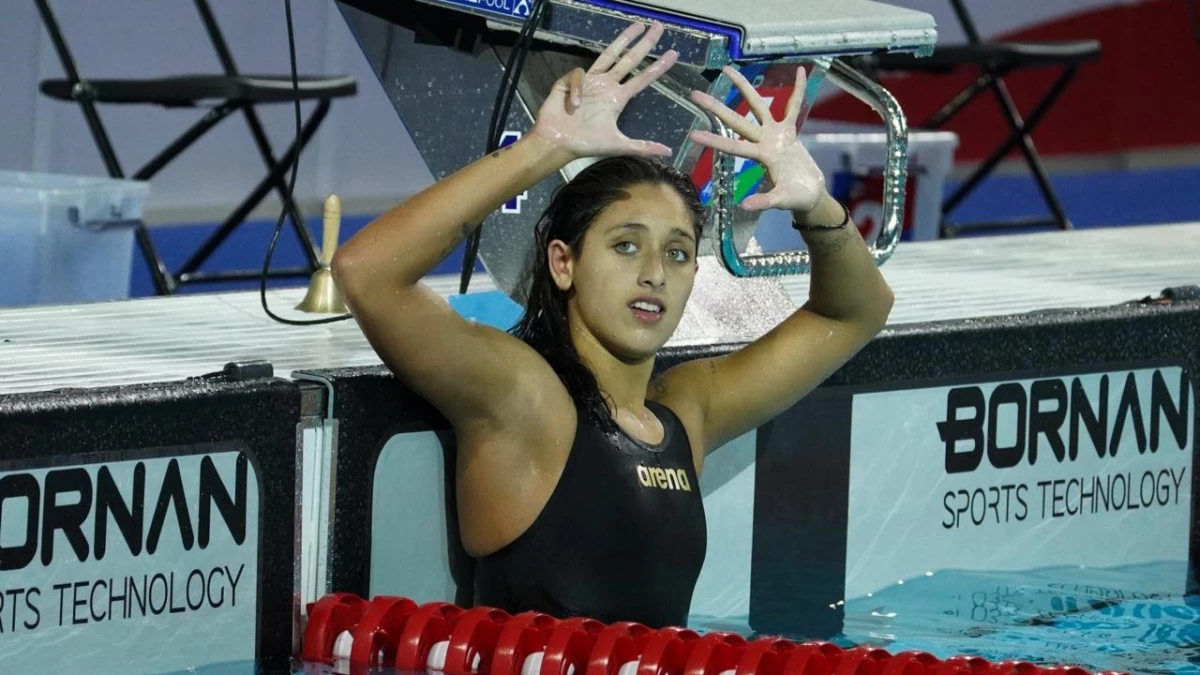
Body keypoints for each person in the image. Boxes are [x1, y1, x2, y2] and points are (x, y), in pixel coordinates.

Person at [332, 21, 893, 629]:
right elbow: (366, 273)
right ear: (563, 263)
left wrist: (816, 203)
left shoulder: (687, 412)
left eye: (678, 253)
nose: (654, 272)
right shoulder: (526, 400)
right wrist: (541, 149)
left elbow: (856, 311)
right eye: (626, 246)